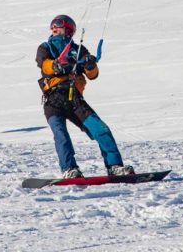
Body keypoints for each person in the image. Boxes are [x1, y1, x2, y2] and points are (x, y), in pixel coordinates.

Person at [35, 15, 134, 178]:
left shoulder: (79, 50)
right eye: (52, 26)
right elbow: (43, 64)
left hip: (74, 99)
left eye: (58, 25)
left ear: (68, 30)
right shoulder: (45, 47)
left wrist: (90, 65)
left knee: (101, 129)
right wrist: (55, 65)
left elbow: (93, 75)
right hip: (53, 101)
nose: (54, 28)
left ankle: (114, 166)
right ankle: (69, 169)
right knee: (61, 135)